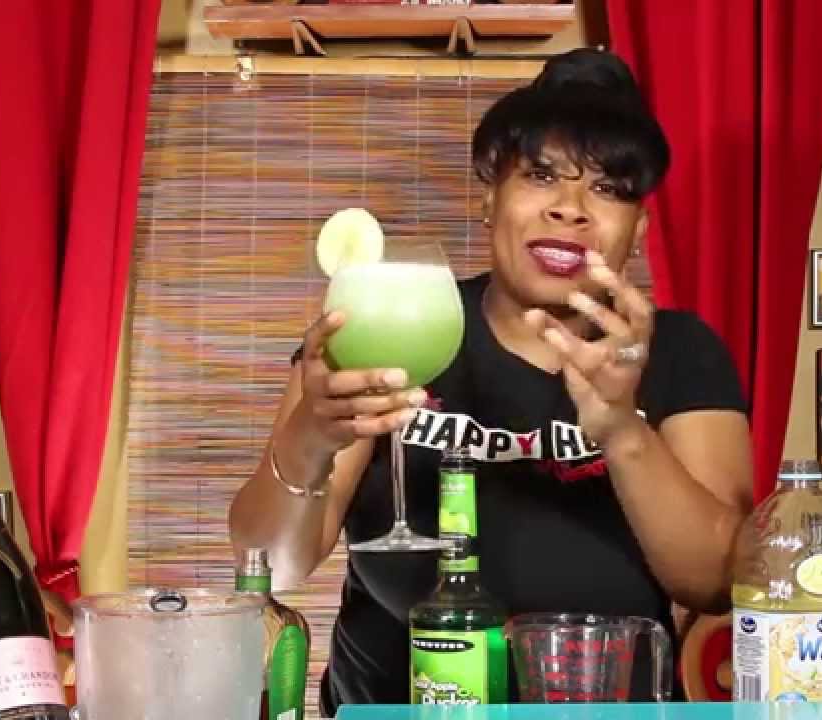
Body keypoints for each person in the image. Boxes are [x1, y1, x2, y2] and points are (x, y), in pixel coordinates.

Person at [227, 49, 753, 715]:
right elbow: (270, 567)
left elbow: (717, 583)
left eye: (607, 188)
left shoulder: (678, 350)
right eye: (541, 175)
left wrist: (623, 431)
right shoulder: (389, 324)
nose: (570, 209)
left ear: (640, 230)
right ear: (489, 201)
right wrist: (310, 438)